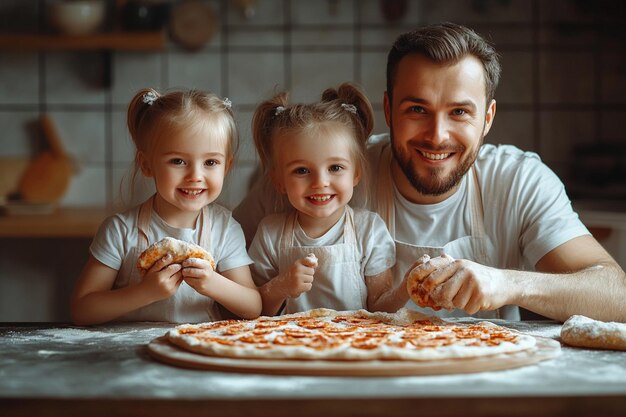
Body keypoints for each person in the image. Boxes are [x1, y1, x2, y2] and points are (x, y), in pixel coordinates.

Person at [234, 22, 626, 322]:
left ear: (487, 118)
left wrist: (508, 283)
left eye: (459, 112)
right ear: (389, 111)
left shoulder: (519, 181)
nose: (437, 136)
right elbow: (222, 262)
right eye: (417, 110)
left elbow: (616, 296)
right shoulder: (325, 174)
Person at [71, 88, 262, 325]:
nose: (195, 176)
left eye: (210, 162)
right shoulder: (120, 230)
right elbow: (82, 310)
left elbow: (253, 306)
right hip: (127, 352)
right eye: (178, 161)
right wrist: (145, 293)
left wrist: (212, 283)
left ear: (227, 166)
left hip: (197, 349)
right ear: (147, 164)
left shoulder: (224, 229)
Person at [247, 83, 407, 316]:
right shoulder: (270, 233)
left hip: (356, 347)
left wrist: (405, 289)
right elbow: (254, 309)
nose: (320, 182)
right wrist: (280, 287)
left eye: (335, 167)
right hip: (289, 346)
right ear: (278, 180)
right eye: (302, 171)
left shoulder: (369, 231)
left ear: (356, 173)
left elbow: (379, 308)